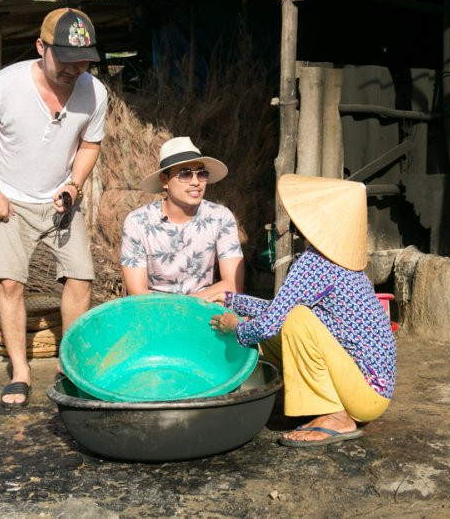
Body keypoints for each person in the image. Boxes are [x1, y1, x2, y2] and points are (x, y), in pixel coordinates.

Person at [0, 7, 107, 410]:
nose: (74, 69)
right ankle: (21, 372)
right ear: (41, 47)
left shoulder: (94, 92)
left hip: (61, 199)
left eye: (83, 60)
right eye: (65, 58)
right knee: (10, 283)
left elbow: (90, 144)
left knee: (80, 278)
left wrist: (74, 184)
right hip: (8, 197)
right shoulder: (4, 86)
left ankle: (70, 366)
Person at [210, 174, 395, 447]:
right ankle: (329, 406)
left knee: (294, 321)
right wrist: (232, 300)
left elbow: (269, 324)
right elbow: (280, 309)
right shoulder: (340, 261)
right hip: (373, 392)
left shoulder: (314, 263)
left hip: (364, 392)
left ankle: (335, 416)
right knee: (292, 318)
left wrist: (235, 327)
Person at [120, 136, 244, 299]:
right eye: (185, 174)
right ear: (165, 180)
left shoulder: (220, 217)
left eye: (201, 174)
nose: (195, 182)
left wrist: (189, 304)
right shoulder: (138, 222)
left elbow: (233, 284)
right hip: (154, 309)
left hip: (203, 305)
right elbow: (138, 292)